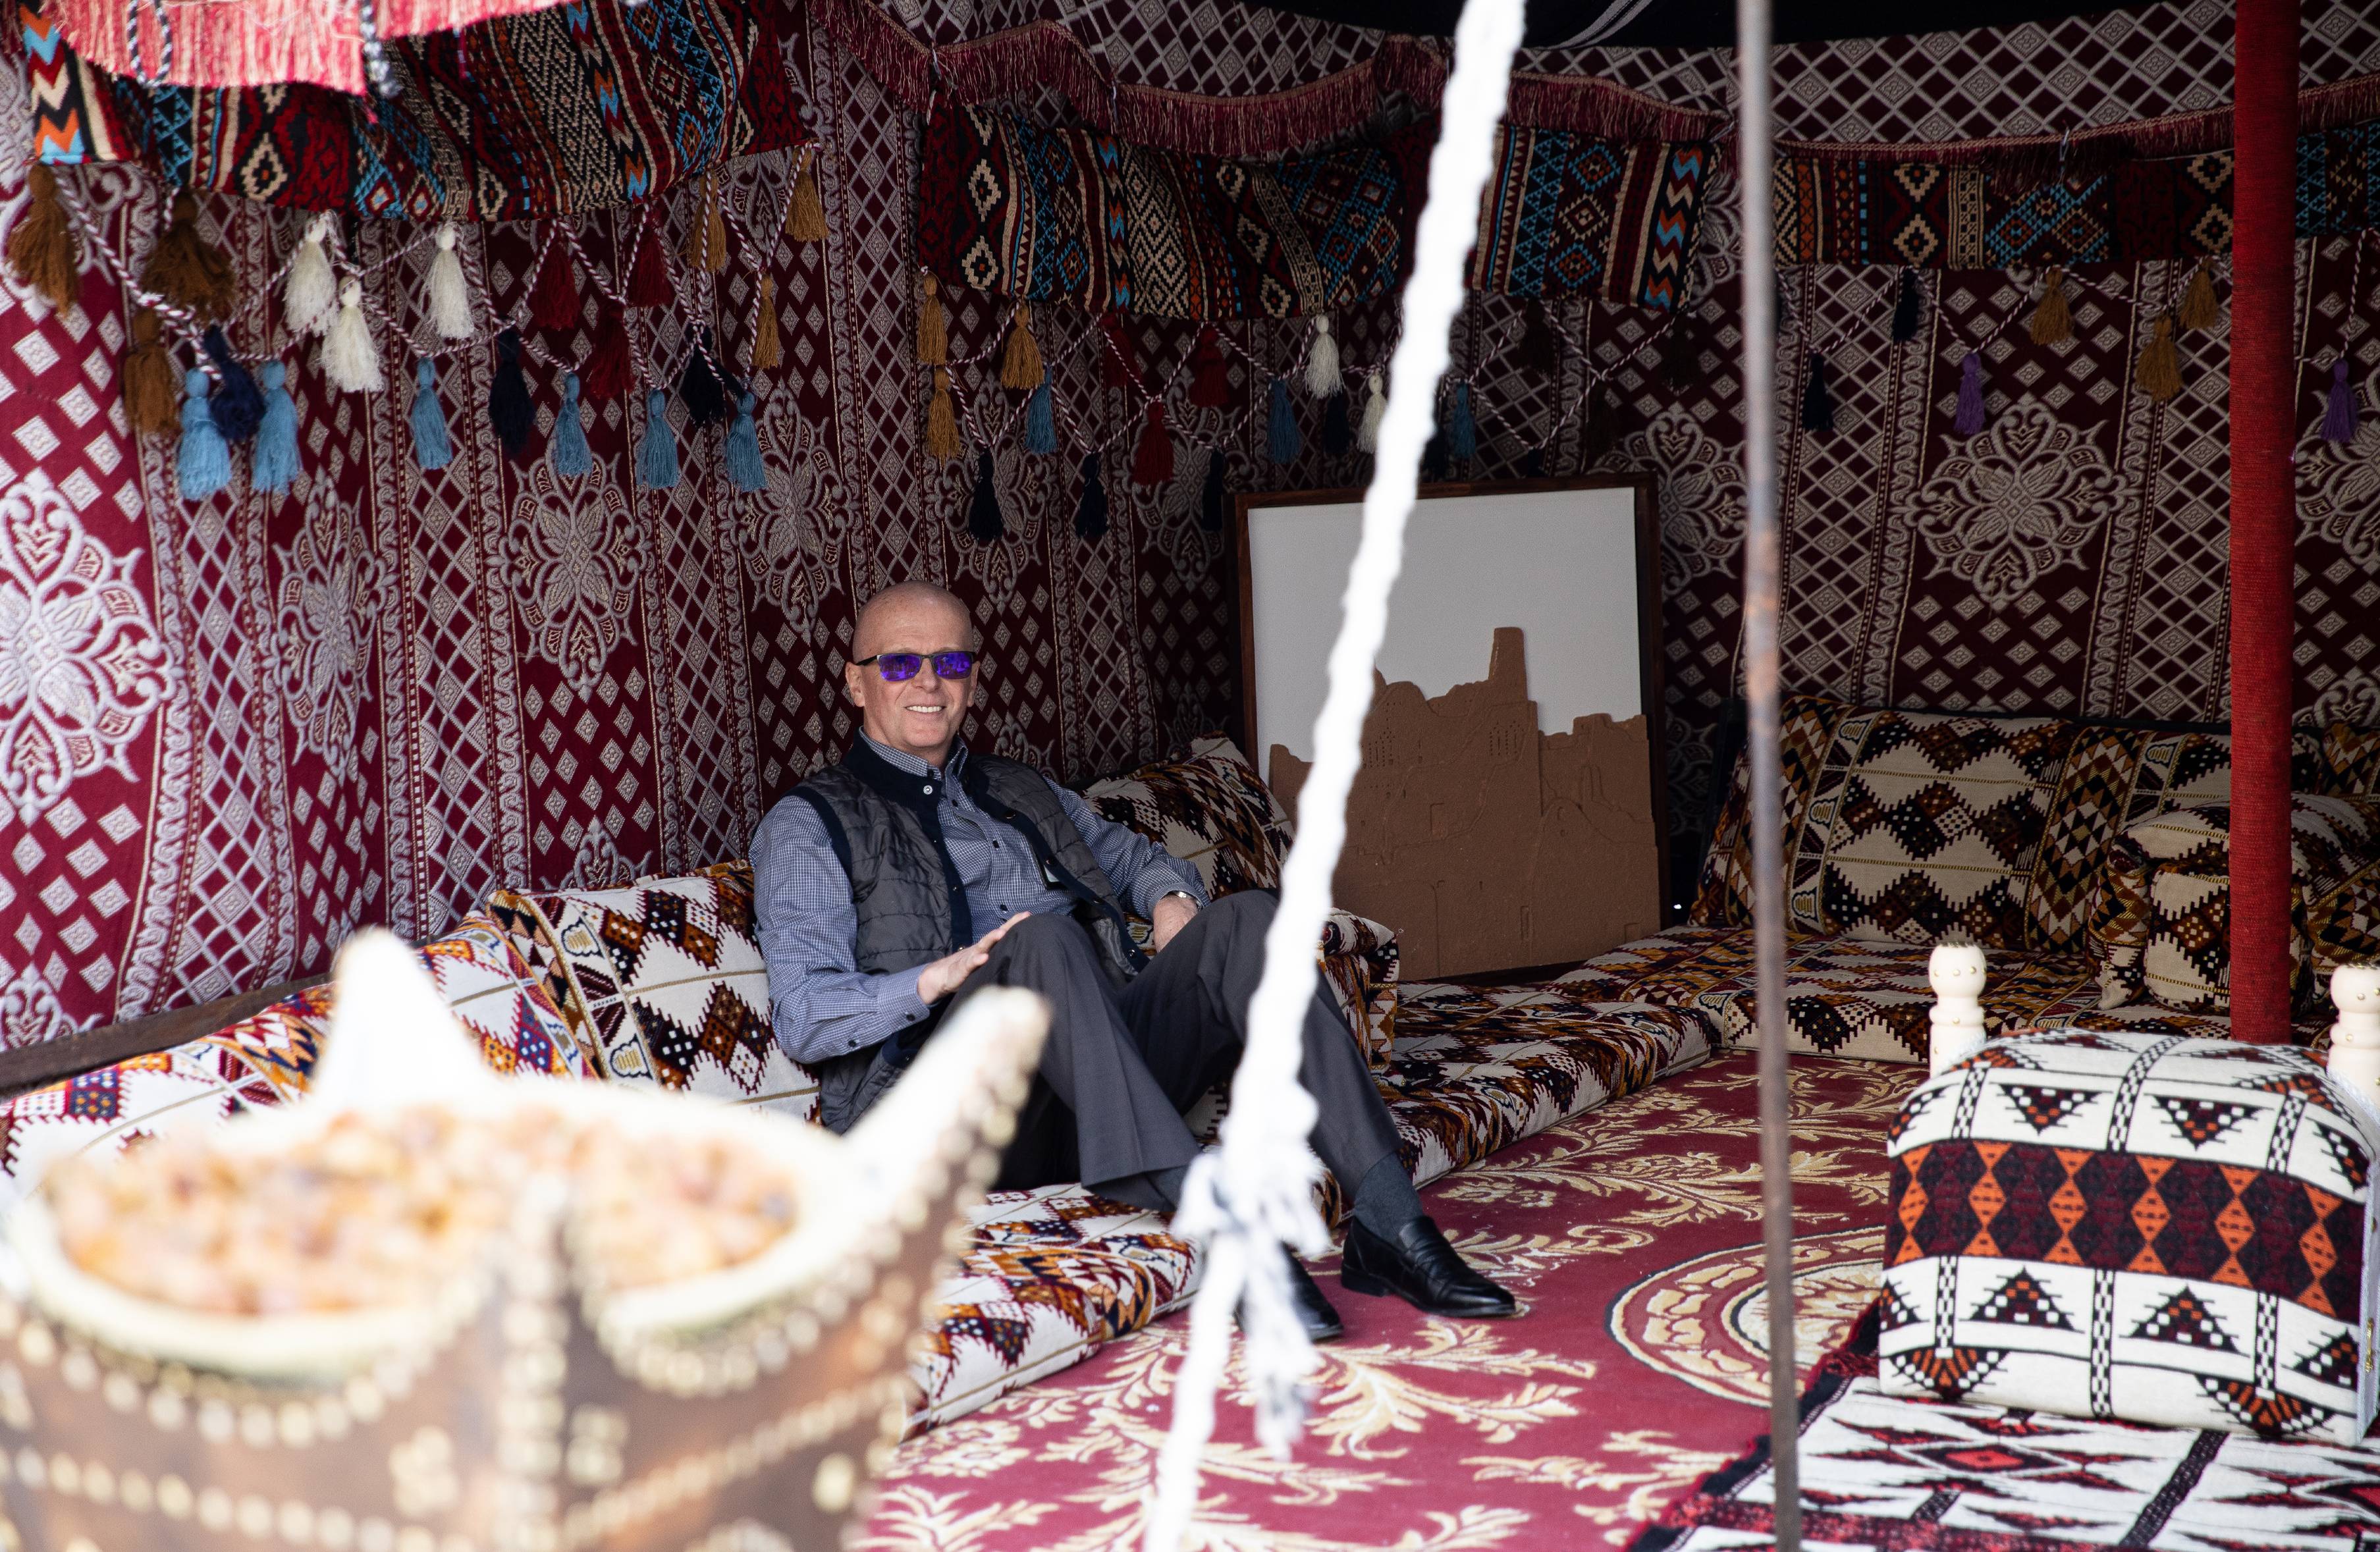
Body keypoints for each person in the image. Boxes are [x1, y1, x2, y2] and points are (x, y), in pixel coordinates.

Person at [751, 581, 1515, 1339]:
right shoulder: (809, 824)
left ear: (973, 680)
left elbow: (1137, 858)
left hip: (1096, 1075)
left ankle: (1389, 1223)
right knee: (1041, 938)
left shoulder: (1021, 788)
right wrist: (937, 976)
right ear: (855, 682)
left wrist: (1169, 898)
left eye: (949, 662)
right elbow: (805, 1014)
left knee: (1249, 918)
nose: (928, 681)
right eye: (899, 663)